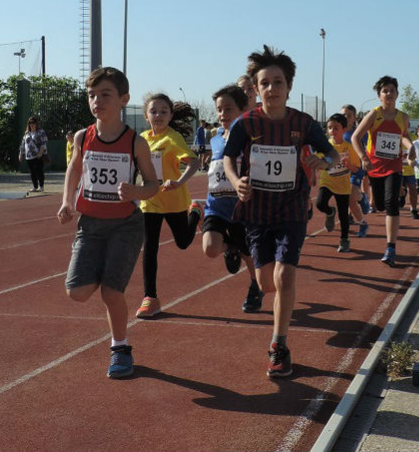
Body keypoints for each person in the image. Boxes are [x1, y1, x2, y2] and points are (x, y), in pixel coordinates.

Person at [222, 45, 338, 379]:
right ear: (256, 89)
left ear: (289, 87)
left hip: (291, 209)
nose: (272, 89)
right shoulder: (246, 123)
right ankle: (255, 274)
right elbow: (229, 157)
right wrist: (235, 180)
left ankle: (279, 344)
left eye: (278, 82)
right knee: (266, 282)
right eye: (265, 83)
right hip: (257, 213)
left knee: (285, 276)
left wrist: (324, 160)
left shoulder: (303, 123)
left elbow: (332, 153)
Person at [57, 66, 160, 379]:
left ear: (123, 99)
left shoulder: (135, 143)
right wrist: (66, 200)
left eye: (105, 95)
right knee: (77, 291)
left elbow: (153, 185)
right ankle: (105, 269)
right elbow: (74, 171)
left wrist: (135, 191)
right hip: (90, 225)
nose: (96, 100)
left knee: (111, 294)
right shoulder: (82, 137)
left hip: (125, 225)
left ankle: (120, 348)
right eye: (91, 95)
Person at [135, 93, 203, 319]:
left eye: (164, 112)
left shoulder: (172, 138)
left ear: (171, 115)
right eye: (154, 111)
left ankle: (195, 212)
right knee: (150, 248)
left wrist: (180, 182)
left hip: (173, 200)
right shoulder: (142, 139)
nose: (158, 115)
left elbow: (194, 162)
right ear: (146, 115)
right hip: (150, 201)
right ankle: (150, 298)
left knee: (183, 242)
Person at [200, 84, 263, 313]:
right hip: (216, 206)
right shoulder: (216, 139)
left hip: (241, 208)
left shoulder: (249, 138)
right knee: (209, 248)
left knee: (249, 256)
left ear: (241, 109)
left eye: (228, 109)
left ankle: (255, 286)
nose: (223, 115)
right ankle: (231, 247)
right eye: (219, 110)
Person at [351, 75, 411, 268]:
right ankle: (365, 198)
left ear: (397, 94)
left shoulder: (403, 117)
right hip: (374, 167)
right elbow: (355, 137)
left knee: (391, 204)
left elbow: (404, 137)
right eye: (385, 91)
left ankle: (390, 248)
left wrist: (411, 148)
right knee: (381, 205)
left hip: (394, 166)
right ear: (379, 95)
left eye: (392, 90)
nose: (389, 93)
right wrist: (364, 158)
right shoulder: (374, 115)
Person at [315, 113, 363, 252]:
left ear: (344, 130)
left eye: (336, 128)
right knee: (319, 203)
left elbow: (356, 168)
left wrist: (349, 166)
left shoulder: (349, 147)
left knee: (343, 215)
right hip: (327, 182)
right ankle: (330, 212)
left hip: (342, 185)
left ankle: (344, 239)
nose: (332, 131)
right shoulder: (325, 146)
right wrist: (319, 165)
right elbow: (317, 160)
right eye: (329, 128)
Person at [20, 116, 48, 192]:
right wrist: (21, 154)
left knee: (39, 171)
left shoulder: (40, 132)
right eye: (30, 123)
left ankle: (41, 186)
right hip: (29, 156)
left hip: (38, 155)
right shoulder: (26, 133)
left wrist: (40, 152)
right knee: (32, 172)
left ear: (36, 123)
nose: (31, 124)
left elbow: (44, 143)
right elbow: (23, 144)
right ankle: (35, 187)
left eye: (33, 122)